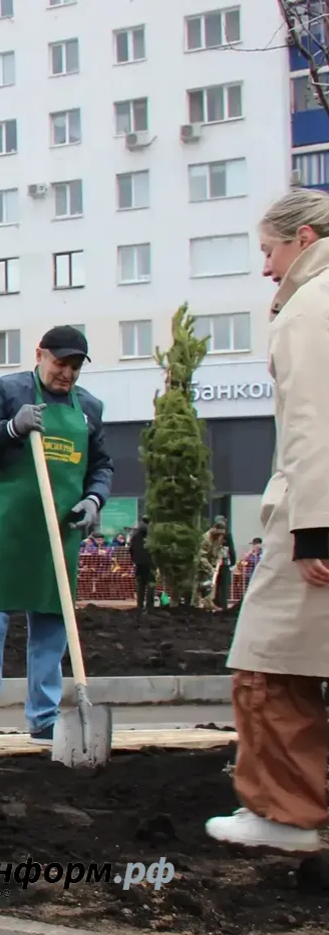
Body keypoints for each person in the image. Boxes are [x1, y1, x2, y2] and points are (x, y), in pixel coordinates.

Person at [207, 189, 329, 852]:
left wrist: (315, 528)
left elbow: (315, 421)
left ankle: (286, 813)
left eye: (269, 250)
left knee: (269, 664)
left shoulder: (311, 305)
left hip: (316, 508)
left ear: (303, 239)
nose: (265, 268)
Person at [0, 326, 114, 753]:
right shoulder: (7, 391)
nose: (68, 374)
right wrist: (11, 427)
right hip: (8, 528)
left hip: (60, 532)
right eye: (61, 363)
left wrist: (95, 499)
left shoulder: (90, 408)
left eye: (75, 367)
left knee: (51, 626)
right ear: (40, 354)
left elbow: (101, 465)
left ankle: (43, 718)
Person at [198, 519, 232, 610]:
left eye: (222, 534)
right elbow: (201, 556)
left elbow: (219, 550)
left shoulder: (219, 538)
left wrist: (218, 561)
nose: (220, 537)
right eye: (218, 534)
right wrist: (209, 567)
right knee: (200, 587)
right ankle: (197, 605)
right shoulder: (205, 539)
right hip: (202, 567)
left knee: (212, 586)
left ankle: (208, 603)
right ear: (213, 529)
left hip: (213, 565)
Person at [129, 519, 155, 610]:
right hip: (151, 563)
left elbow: (131, 549)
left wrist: (134, 560)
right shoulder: (153, 535)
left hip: (139, 563)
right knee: (151, 584)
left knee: (140, 584)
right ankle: (150, 605)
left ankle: (139, 605)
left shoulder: (135, 535)